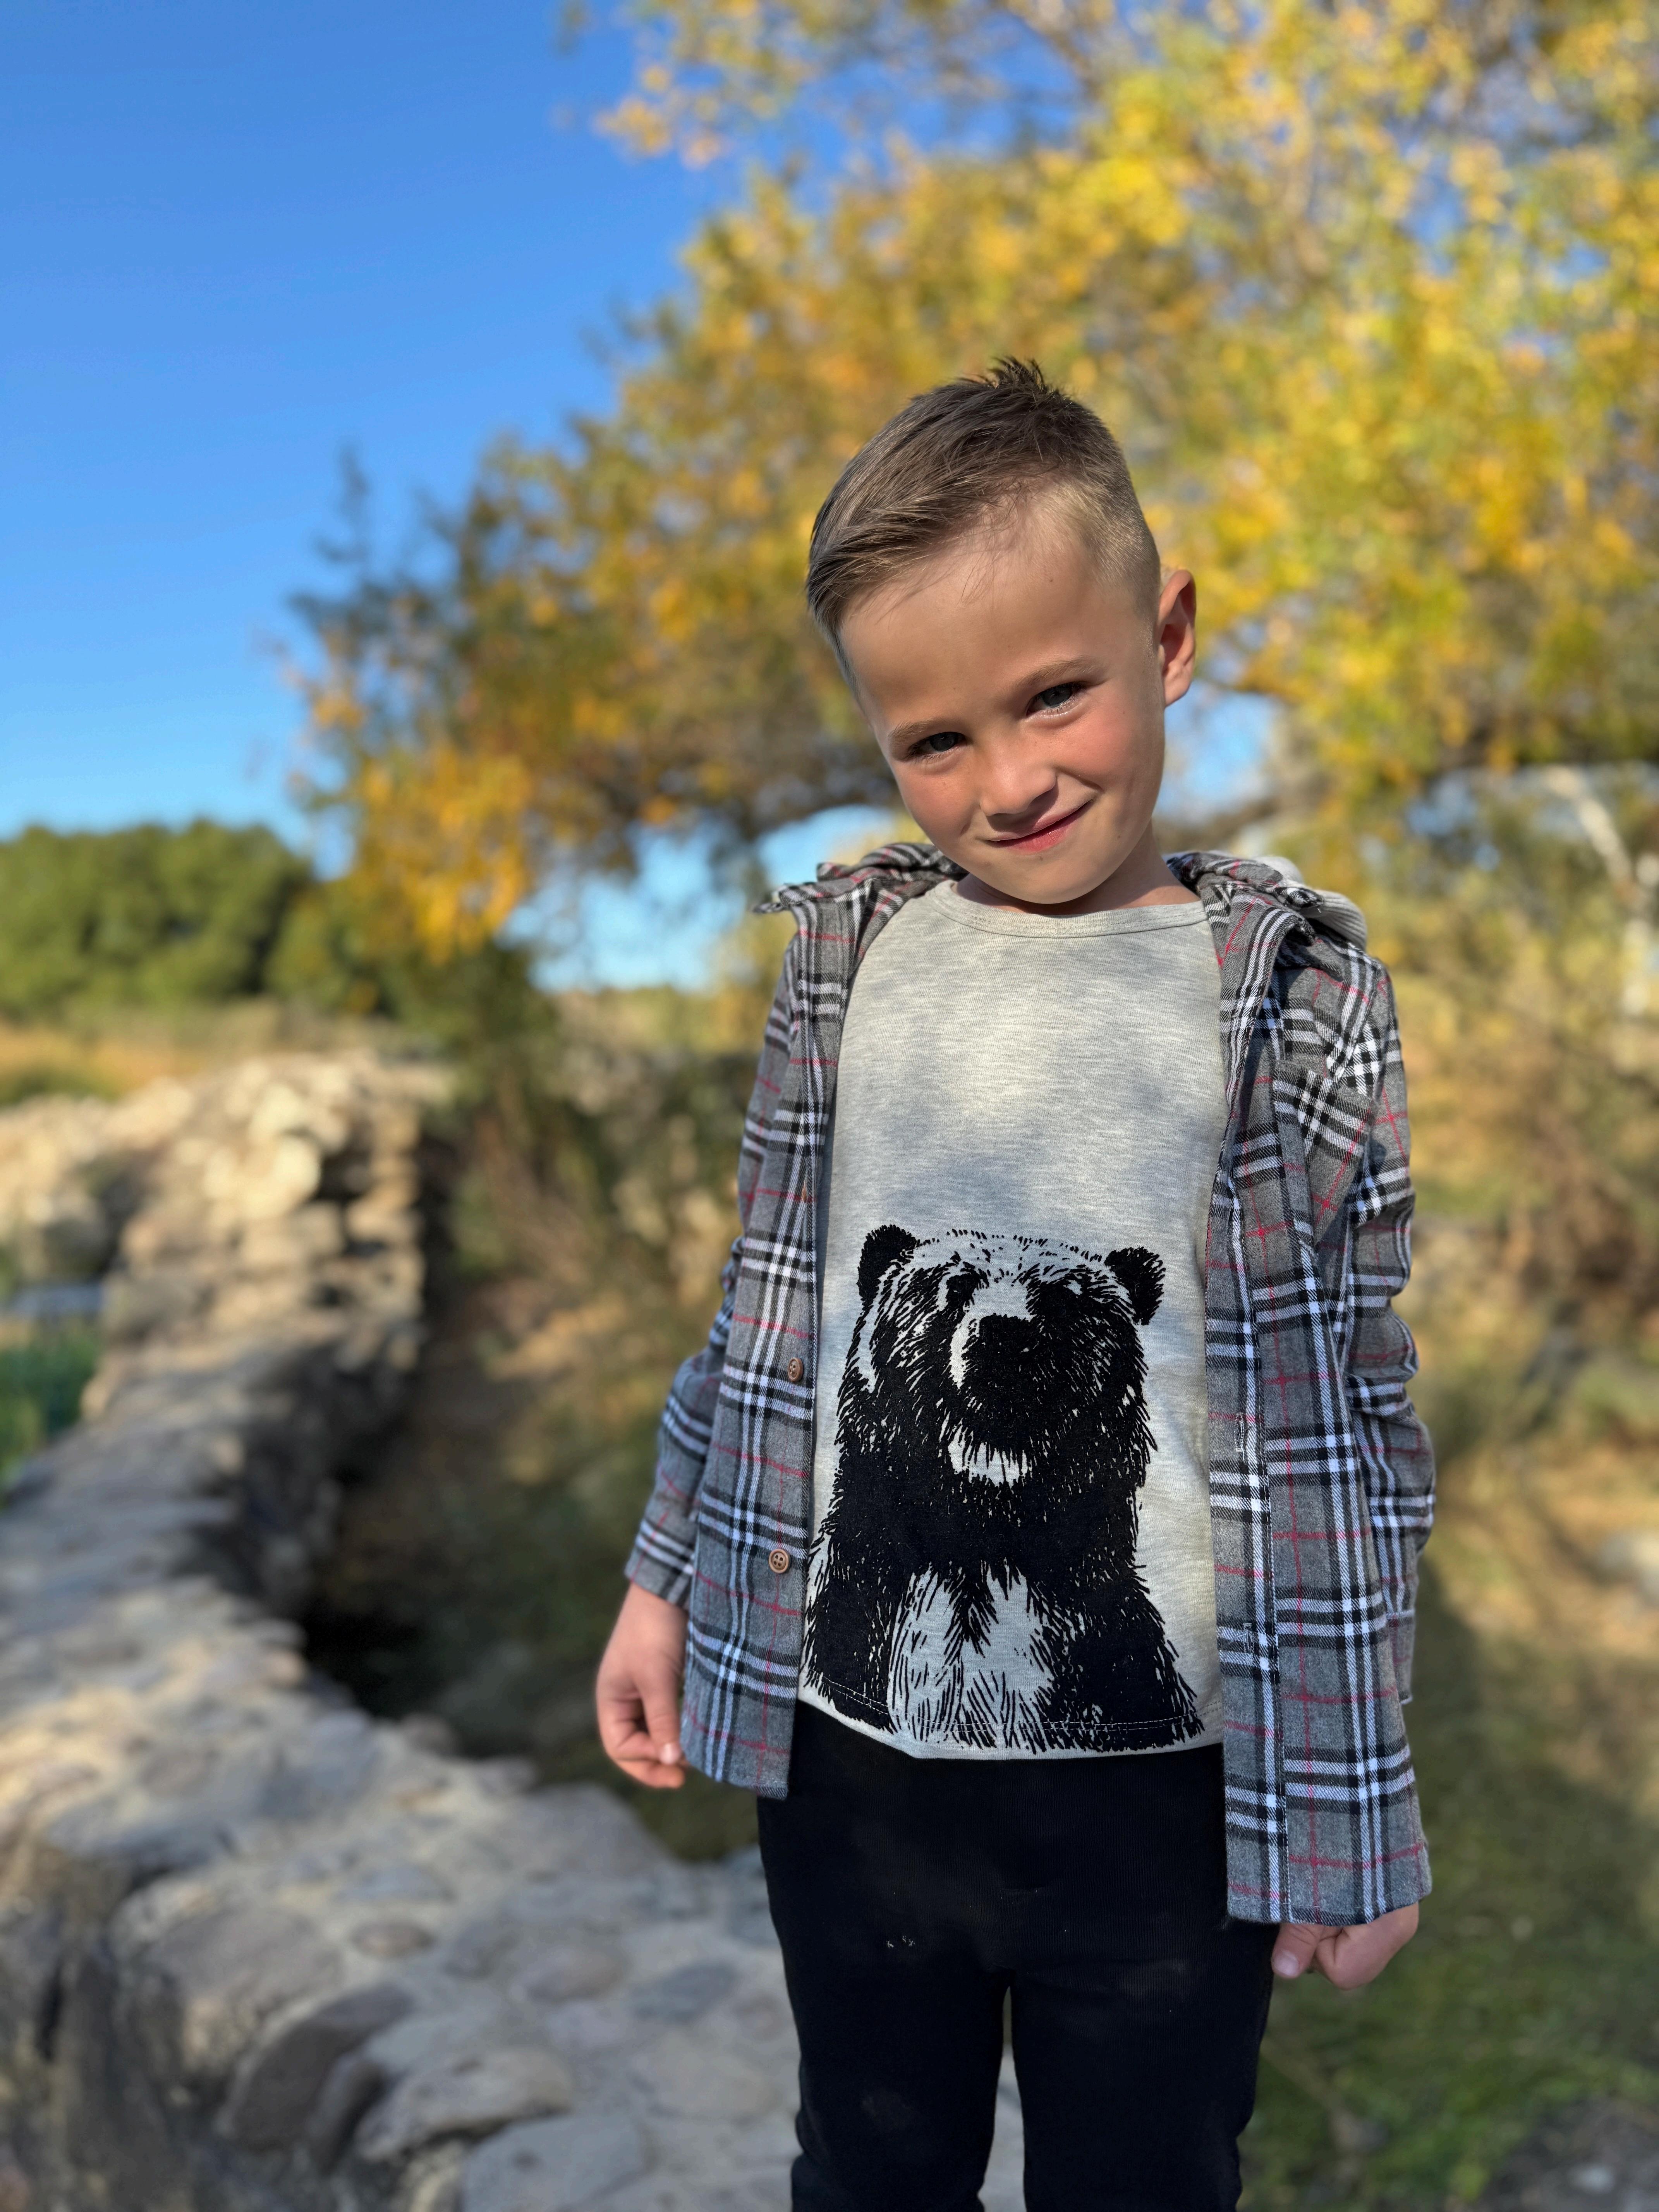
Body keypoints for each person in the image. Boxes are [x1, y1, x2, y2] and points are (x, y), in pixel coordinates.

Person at [596, 359, 1434, 2212]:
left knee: (1146, 2180)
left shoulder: (1291, 996)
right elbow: (767, 1314)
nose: (1012, 779)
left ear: (1169, 634)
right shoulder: (851, 963)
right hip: (853, 1776)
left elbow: (1350, 1418)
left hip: (1166, 1798)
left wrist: (1355, 1799)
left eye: (1057, 693)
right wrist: (664, 1577)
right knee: (866, 2167)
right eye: (935, 740)